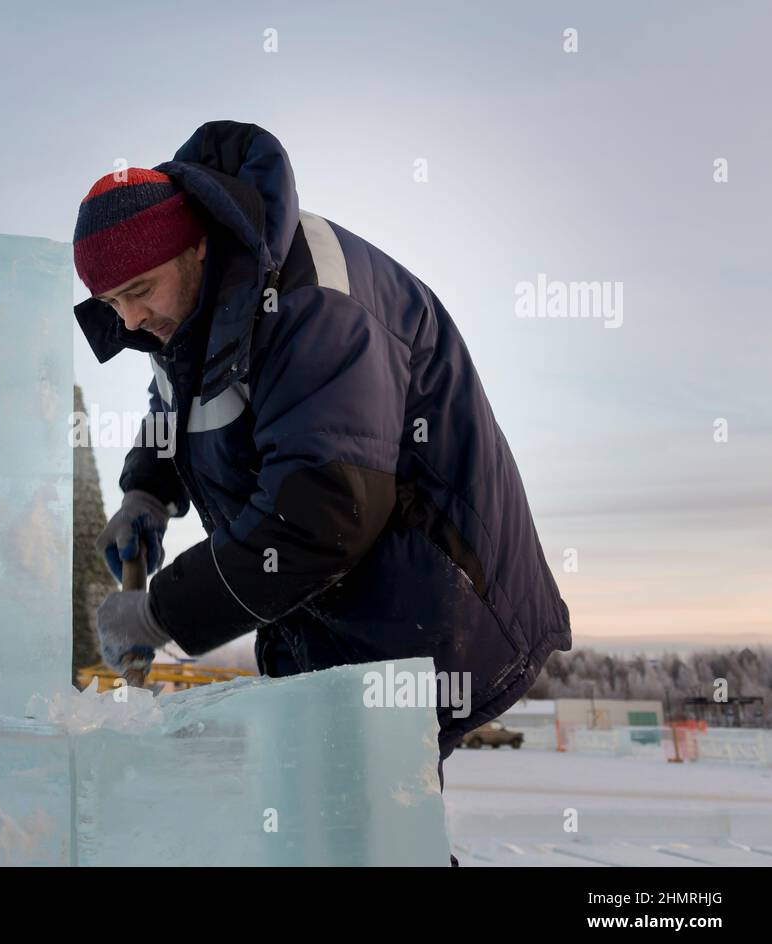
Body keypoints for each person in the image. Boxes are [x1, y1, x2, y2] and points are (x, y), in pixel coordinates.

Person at [75, 122, 572, 859]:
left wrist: (159, 613)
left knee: (362, 832)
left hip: (433, 604)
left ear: (197, 245)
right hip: (339, 621)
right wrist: (146, 492)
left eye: (139, 291)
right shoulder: (191, 312)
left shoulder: (317, 304)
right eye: (113, 304)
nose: (132, 319)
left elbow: (321, 513)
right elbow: (175, 407)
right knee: (338, 833)